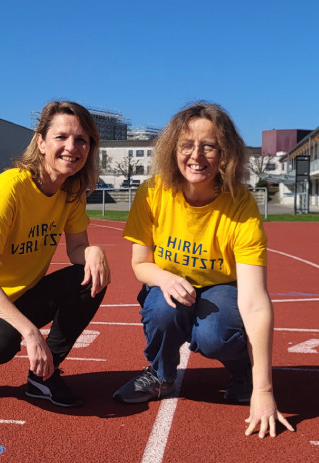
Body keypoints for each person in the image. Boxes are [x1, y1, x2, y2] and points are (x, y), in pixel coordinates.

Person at [113, 102, 294, 438]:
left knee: (214, 334)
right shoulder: (152, 192)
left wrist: (264, 390)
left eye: (209, 145)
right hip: (168, 282)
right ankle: (161, 374)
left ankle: (244, 374)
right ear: (172, 149)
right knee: (160, 308)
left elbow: (255, 301)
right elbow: (140, 264)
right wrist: (165, 278)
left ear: (225, 153)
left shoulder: (240, 205)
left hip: (222, 287)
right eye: (187, 145)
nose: (197, 155)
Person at [0, 101, 110, 408]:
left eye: (82, 139)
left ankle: (43, 375)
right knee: (1, 342)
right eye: (62, 137)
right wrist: (30, 333)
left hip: (18, 296)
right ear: (41, 142)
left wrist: (94, 252)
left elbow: (77, 250)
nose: (72, 147)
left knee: (90, 276)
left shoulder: (71, 191)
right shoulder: (8, 192)